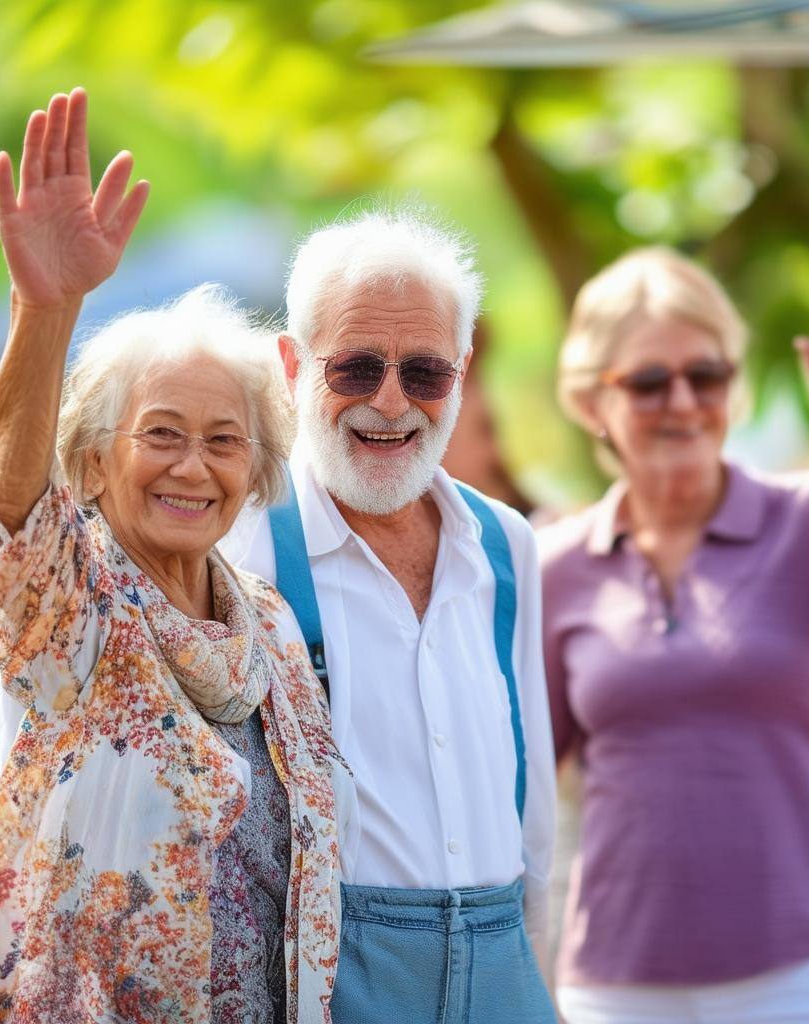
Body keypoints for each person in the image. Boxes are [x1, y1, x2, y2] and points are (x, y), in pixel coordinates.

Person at [0, 89, 346, 1024]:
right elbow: (5, 519)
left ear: (259, 468)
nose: (193, 466)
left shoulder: (269, 627)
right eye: (160, 433)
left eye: (224, 441)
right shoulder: (72, 603)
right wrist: (45, 308)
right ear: (92, 460)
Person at [539, 246, 809, 1024]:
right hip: (623, 984)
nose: (683, 401)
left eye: (707, 374)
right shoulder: (556, 566)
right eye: (649, 381)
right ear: (593, 403)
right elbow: (518, 775)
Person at [220, 209, 558, 1023]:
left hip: (507, 958)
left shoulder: (505, 543)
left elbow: (535, 797)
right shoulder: (241, 544)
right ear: (293, 364)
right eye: (357, 368)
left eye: (426, 372)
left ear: (463, 371)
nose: (392, 402)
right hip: (335, 980)